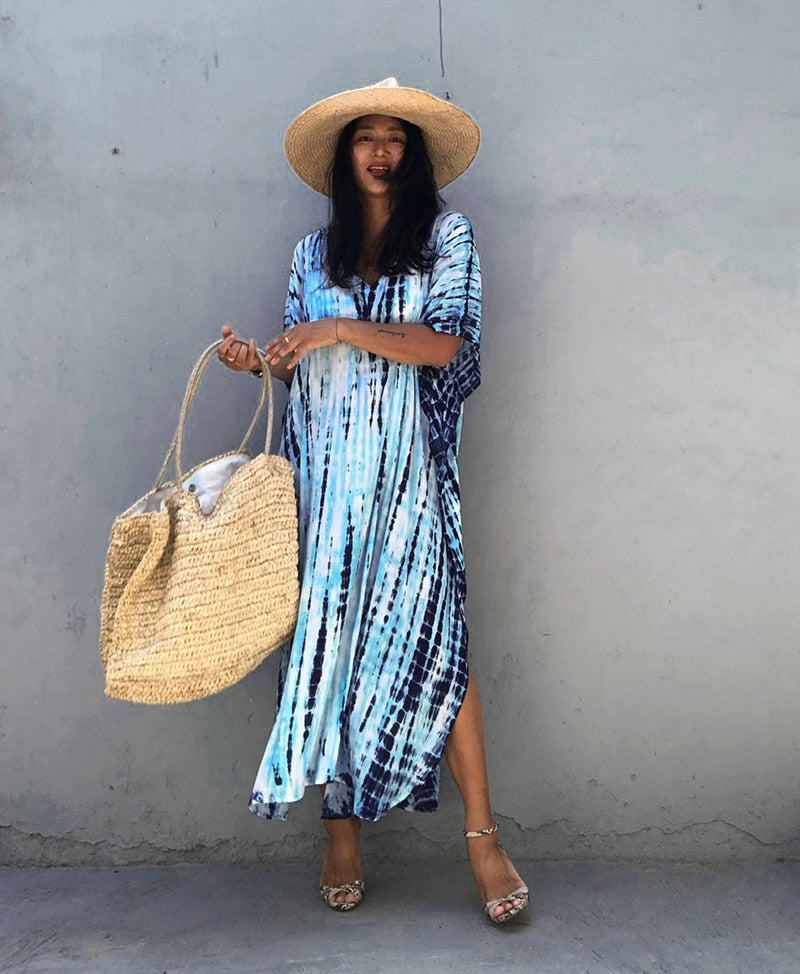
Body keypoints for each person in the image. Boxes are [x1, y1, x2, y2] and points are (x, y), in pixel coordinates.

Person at [218, 78, 528, 924]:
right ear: (346, 154)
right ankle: (341, 833)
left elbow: (445, 345)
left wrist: (340, 327)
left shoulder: (447, 238)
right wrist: (261, 360)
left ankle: (482, 837)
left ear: (414, 155)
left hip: (409, 474)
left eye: (396, 138)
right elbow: (297, 358)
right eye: (367, 138)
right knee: (328, 648)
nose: (382, 151)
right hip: (325, 478)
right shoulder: (310, 255)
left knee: (439, 643)